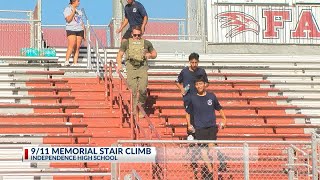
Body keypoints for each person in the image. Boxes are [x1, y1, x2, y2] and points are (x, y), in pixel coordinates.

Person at [185, 76, 227, 180]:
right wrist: (188, 124)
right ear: (195, 86)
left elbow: (219, 108)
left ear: (205, 84)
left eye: (201, 83)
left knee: (211, 147)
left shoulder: (211, 96)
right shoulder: (192, 98)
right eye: (197, 84)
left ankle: (218, 166)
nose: (199, 86)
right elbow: (187, 113)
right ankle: (211, 171)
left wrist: (224, 119)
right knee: (203, 152)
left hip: (211, 127)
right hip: (199, 128)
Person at [116, 25, 157, 116]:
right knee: (133, 89)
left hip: (142, 66)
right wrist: (119, 64)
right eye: (135, 35)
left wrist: (149, 55)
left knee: (142, 89)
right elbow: (119, 55)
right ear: (132, 34)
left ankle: (141, 106)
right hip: (131, 66)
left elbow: (154, 53)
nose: (137, 37)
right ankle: (135, 110)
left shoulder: (146, 43)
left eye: (139, 35)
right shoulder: (126, 43)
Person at [176, 53, 209, 137]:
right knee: (190, 115)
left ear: (198, 62)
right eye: (192, 62)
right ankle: (190, 135)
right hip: (188, 97)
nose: (194, 64)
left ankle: (199, 134)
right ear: (189, 62)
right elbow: (177, 82)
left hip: (199, 97)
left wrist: (202, 87)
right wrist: (182, 89)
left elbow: (207, 83)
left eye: (195, 62)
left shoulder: (201, 71)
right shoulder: (184, 71)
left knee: (199, 115)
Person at [63, 0, 85, 66]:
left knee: (77, 47)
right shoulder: (67, 9)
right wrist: (73, 12)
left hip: (80, 30)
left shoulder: (80, 11)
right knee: (71, 44)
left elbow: (81, 23)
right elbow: (68, 20)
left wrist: (84, 33)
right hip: (71, 29)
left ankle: (75, 62)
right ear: (73, 1)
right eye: (78, 1)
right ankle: (67, 61)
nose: (79, 2)